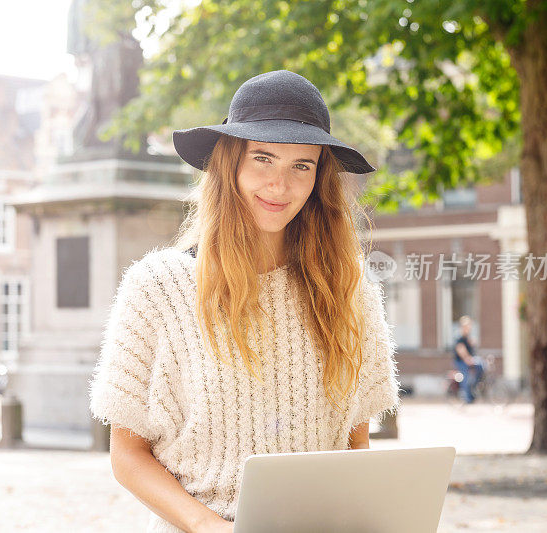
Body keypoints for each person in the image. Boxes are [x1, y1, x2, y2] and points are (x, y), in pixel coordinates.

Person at [88, 70, 400, 533]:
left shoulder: (348, 289)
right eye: (263, 159)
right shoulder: (157, 287)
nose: (280, 185)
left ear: (319, 178)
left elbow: (354, 450)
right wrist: (210, 527)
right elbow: (128, 456)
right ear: (228, 164)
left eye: (302, 165)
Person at [452, 315, 485, 404]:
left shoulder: (468, 337)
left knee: (481, 365)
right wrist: (467, 359)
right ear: (463, 327)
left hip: (469, 359)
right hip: (461, 361)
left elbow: (472, 349)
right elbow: (460, 349)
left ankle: (475, 389)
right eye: (467, 326)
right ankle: (467, 397)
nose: (469, 328)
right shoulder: (459, 337)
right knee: (465, 377)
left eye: (469, 326)